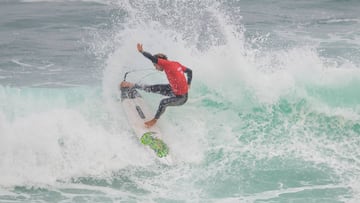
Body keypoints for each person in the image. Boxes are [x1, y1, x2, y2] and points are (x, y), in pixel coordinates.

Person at [121, 43, 192, 128]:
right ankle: (132, 85)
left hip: (181, 98)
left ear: (160, 63)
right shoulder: (175, 63)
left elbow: (151, 57)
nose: (155, 68)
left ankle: (154, 121)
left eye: (155, 65)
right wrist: (189, 83)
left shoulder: (167, 64)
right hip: (173, 90)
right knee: (153, 88)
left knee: (163, 102)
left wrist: (142, 51)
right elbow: (189, 71)